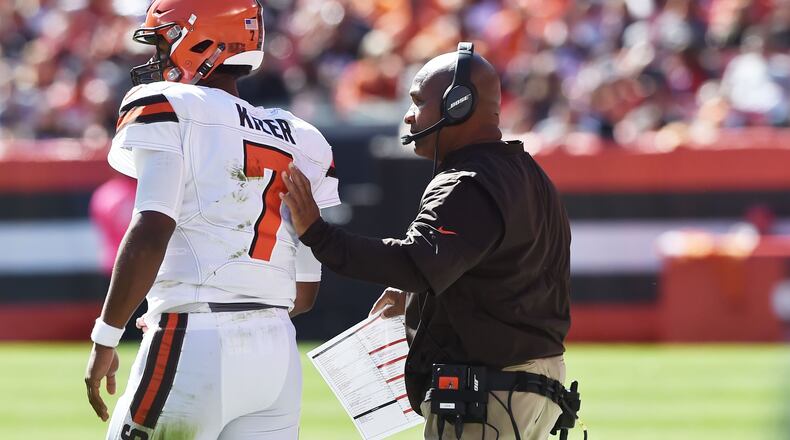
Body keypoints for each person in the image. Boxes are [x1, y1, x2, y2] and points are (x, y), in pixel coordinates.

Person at [281, 43, 572, 440]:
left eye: (418, 102)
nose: (408, 115)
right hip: (530, 386)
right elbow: (499, 274)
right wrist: (420, 296)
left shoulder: (466, 182)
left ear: (458, 105)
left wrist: (318, 233)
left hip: (493, 392)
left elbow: (416, 262)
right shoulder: (526, 172)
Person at [83, 1, 340, 439]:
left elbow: (152, 226)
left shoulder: (171, 105)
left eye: (164, 40)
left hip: (193, 338)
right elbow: (306, 292)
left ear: (198, 40)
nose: (157, 56)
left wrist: (106, 336)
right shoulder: (304, 137)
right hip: (276, 352)